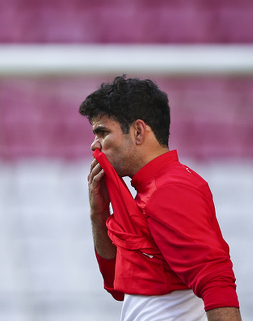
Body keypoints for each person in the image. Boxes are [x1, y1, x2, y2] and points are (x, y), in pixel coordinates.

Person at [78, 75, 241, 321]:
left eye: (102, 132)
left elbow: (215, 280)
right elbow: (116, 284)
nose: (94, 146)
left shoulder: (170, 189)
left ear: (138, 131)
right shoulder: (149, 191)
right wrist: (98, 214)